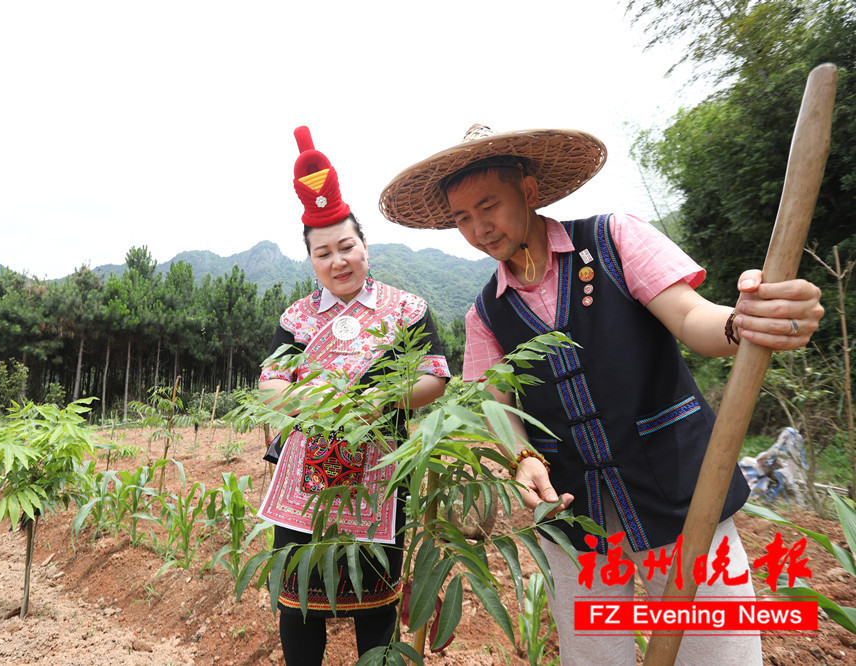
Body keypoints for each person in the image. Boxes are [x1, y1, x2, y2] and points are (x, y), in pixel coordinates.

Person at [378, 124, 824, 665]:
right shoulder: (486, 312)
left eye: (488, 205)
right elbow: (496, 407)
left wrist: (743, 323)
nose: (478, 228)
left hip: (676, 488)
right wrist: (521, 457)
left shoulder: (613, 240)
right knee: (594, 654)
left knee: (716, 651)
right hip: (571, 508)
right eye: (462, 218)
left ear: (530, 191)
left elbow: (691, 316)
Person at [257, 126, 450, 665]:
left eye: (347, 247)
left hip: (379, 471)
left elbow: (434, 376)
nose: (338, 261)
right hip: (304, 476)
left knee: (375, 603)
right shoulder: (296, 316)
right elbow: (271, 382)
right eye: (324, 253)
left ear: (365, 246)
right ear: (311, 260)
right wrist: (308, 403)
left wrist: (377, 402)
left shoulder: (405, 308)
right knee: (298, 603)